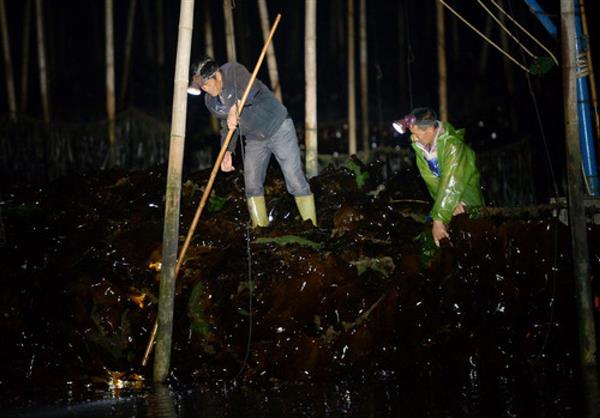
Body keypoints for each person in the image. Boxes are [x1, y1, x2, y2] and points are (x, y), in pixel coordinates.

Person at [188, 56, 316, 228]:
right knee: (252, 184)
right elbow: (227, 127)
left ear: (216, 75)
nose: (204, 89)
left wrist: (235, 107)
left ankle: (312, 227)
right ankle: (260, 231)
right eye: (200, 87)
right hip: (255, 139)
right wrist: (227, 151)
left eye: (205, 84)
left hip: (278, 127)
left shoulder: (233, 71)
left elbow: (252, 89)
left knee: (294, 180)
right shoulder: (210, 101)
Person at [393, 107, 484, 246]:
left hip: (467, 202)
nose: (414, 138)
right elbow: (433, 184)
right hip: (447, 205)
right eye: (412, 134)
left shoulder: (453, 146)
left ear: (430, 130)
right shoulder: (422, 150)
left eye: (417, 134)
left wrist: (439, 218)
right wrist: (447, 207)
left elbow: (452, 182)